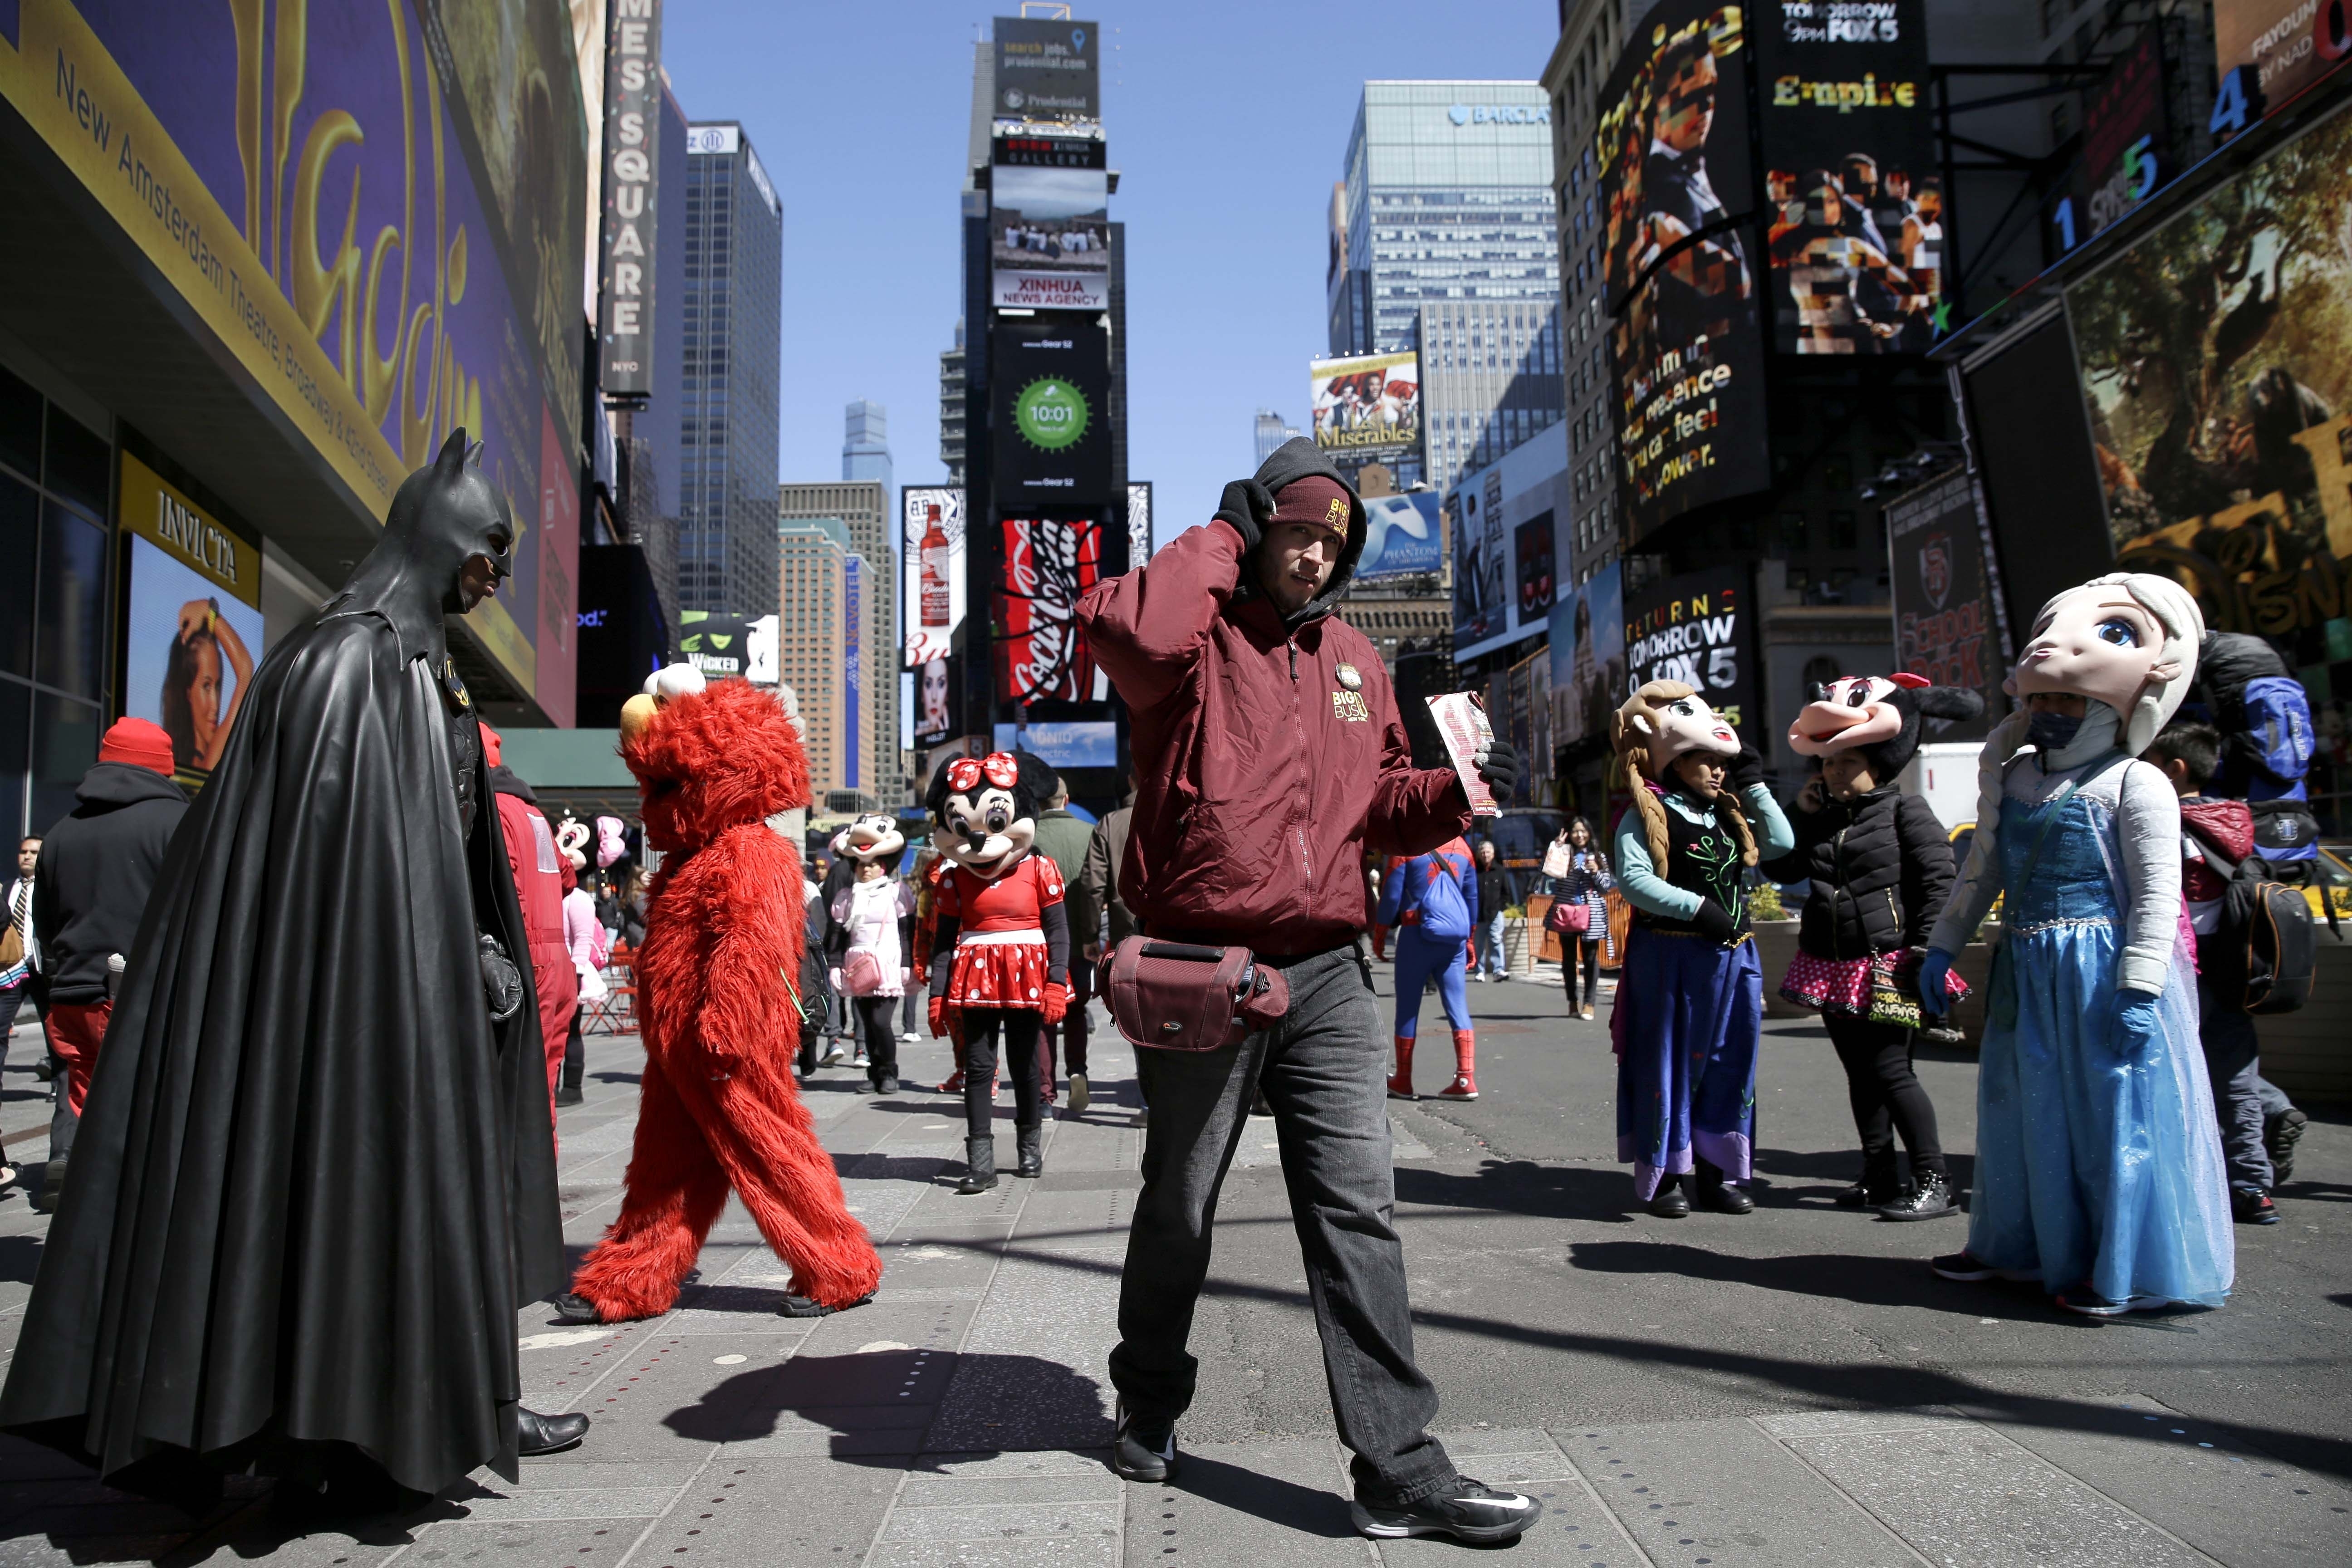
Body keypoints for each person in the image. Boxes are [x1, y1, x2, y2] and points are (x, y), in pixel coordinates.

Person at [1, 431, 582, 1510]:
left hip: (413, 985)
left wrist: (475, 941)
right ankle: (339, 1423)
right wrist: (432, 951)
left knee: (420, 1194)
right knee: (340, 1185)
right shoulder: (341, 664)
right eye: (488, 550)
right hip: (348, 1000)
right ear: (442, 535)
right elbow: (336, 871)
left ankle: (448, 1403)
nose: (495, 576)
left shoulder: (408, 664)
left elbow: (423, 846)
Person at [1074, 438, 1537, 1545]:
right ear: (1256, 524)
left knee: (1355, 1207)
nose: (1317, 552)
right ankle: (1147, 1394)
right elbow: (1123, 631)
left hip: (1329, 967)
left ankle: (1397, 1466)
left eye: (1334, 540)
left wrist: (1456, 794)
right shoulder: (1193, 637)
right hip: (1202, 961)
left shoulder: (1354, 659)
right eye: (1297, 529)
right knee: (1181, 1199)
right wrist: (1226, 538)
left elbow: (1374, 801)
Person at [1920, 573, 2233, 1316]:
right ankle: (2010, 1246)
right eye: (2040, 701)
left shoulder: (2136, 784)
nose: (2050, 712)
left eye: (2068, 701)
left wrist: (2136, 986)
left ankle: (2111, 1267)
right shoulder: (2016, 777)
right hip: (2026, 972)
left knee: (2108, 1121)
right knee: (2018, 1111)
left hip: (2100, 976)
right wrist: (1940, 947)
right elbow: (1982, 870)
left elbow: (2157, 895)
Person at [558, 668, 882, 1326]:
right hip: (681, 1043)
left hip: (724, 1042)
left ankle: (839, 1264)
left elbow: (751, 946)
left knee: (770, 1149)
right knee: (664, 1167)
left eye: (669, 786)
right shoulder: (692, 855)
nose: (655, 805)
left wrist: (724, 1027)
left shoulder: (750, 848)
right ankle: (630, 1279)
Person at [1774, 674, 1983, 1220]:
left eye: (1847, 762)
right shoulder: (1822, 821)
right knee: (1860, 1075)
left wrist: (1924, 951)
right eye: (1828, 762)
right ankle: (1878, 1174)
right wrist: (1800, 811)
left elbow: (1941, 882)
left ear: (1879, 765)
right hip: (1832, 962)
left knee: (1892, 1071)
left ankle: (1935, 1180)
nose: (1834, 771)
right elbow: (1780, 866)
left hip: (1891, 963)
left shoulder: (1905, 811)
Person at [1609, 683, 1793, 1218]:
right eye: (1704, 762)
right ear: (1675, 762)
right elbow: (1634, 880)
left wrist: (1755, 785)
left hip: (1733, 963)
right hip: (1669, 961)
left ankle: (1716, 1176)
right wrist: (1698, 909)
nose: (1717, 772)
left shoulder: (1727, 815)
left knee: (1728, 1066)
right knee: (1667, 1066)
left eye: (1721, 763)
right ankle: (1666, 1176)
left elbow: (1780, 844)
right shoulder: (1647, 813)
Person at [24, 720, 189, 1214]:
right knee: (154, 1133)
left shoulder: (60, 833)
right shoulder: (179, 825)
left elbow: (45, 924)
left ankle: (89, 1246)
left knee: (93, 1124)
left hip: (73, 1002)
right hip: (147, 1001)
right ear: (165, 764)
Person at [2143, 720, 2278, 1225]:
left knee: (2171, 1080)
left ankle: (2183, 1187)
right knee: (2239, 1081)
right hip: (2239, 967)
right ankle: (2253, 1186)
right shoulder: (2236, 820)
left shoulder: (2166, 822)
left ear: (2174, 771)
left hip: (2184, 968)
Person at [926, 751, 1069, 1192]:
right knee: (979, 1068)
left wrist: (1057, 983)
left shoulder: (1040, 869)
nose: (979, 842)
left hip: (1027, 978)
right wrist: (937, 993)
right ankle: (981, 1163)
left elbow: (1059, 931)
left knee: (1025, 1065)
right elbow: (943, 943)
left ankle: (1029, 1150)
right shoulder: (953, 880)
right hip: (974, 982)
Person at [487, 728, 577, 1131]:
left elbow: (509, 889)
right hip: (558, 960)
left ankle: (519, 1191)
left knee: (519, 1088)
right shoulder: (533, 813)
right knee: (544, 1087)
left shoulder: (493, 811)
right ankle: (543, 1186)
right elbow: (567, 876)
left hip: (530, 956)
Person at [1377, 837, 1480, 1101]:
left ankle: (1403, 1078)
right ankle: (1466, 1077)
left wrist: (1379, 935)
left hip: (1416, 934)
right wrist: (1470, 940)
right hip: (1454, 939)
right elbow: (1471, 897)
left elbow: (1391, 895)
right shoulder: (1464, 849)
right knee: (1458, 1006)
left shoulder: (1408, 846)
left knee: (1408, 1009)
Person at [829, 813, 915, 1094]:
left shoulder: (897, 892)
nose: (866, 870)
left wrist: (907, 964)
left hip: (888, 963)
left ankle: (890, 1070)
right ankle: (874, 1073)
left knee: (881, 1023)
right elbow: (838, 936)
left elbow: (906, 932)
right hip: (858, 965)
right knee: (866, 1024)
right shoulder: (846, 897)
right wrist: (835, 966)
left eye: (873, 865)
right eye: (861, 866)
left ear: (883, 866)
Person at [1031, 772, 1097, 1112]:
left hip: (1039, 944)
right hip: (1081, 942)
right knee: (1075, 1011)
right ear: (1065, 801)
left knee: (1045, 1017)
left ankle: (1045, 1096)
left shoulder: (1027, 838)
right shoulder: (1090, 833)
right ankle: (1078, 1071)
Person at [1078, 779, 1141, 1124]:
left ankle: (1150, 1101)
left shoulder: (1111, 823)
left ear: (1131, 780)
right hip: (1185, 932)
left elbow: (1092, 885)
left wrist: (1090, 935)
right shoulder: (1190, 810)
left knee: (1140, 1016)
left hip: (1129, 936)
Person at [160, 596, 254, 786]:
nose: (216, 705)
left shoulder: (175, 759)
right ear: (187, 692)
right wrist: (209, 612)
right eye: (206, 686)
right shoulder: (205, 764)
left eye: (218, 686)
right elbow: (246, 671)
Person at [1548, 818, 1612, 1019]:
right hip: (1567, 913)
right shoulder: (1564, 854)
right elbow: (1549, 871)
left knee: (1591, 959)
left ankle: (1589, 1003)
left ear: (1589, 833)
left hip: (1591, 914)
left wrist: (1596, 871)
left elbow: (1606, 887)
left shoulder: (1599, 856)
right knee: (1568, 960)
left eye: (1583, 831)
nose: (1579, 835)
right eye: (1575, 832)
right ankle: (1572, 1002)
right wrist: (1556, 848)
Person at [1469, 839, 1515, 981]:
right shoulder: (1474, 871)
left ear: (1493, 854)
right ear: (1478, 854)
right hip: (1478, 915)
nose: (1485, 855)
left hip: (1495, 914)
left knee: (1496, 940)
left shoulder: (1500, 871)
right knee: (1479, 944)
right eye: (1482, 852)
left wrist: (1499, 908)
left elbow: (1506, 893)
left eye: (1488, 852)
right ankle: (1480, 971)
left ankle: (1499, 970)